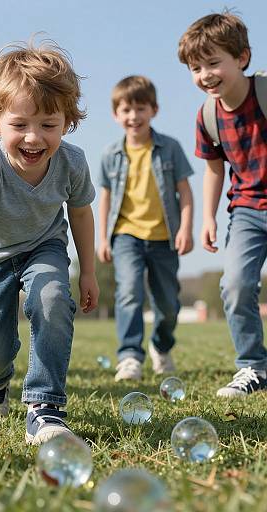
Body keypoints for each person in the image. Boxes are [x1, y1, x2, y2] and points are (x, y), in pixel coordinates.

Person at [0, 42, 99, 445]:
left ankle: (45, 407)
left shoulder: (72, 163)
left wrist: (89, 272)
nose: (33, 137)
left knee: (52, 298)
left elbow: (80, 213)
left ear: (67, 122)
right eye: (19, 124)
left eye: (48, 124)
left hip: (43, 246)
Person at [179, 13, 267, 397]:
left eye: (214, 63)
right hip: (247, 210)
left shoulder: (264, 93)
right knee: (234, 285)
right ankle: (253, 367)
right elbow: (214, 169)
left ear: (242, 58)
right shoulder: (208, 115)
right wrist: (208, 218)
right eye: (196, 67)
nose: (205, 74)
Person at [97, 76, 194, 382]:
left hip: (165, 236)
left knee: (168, 304)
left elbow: (185, 192)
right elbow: (106, 198)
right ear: (116, 114)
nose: (133, 116)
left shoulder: (170, 148)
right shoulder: (110, 154)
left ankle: (161, 347)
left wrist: (186, 228)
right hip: (126, 235)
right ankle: (129, 357)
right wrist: (103, 237)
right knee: (129, 293)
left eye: (141, 108)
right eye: (126, 109)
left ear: (154, 110)